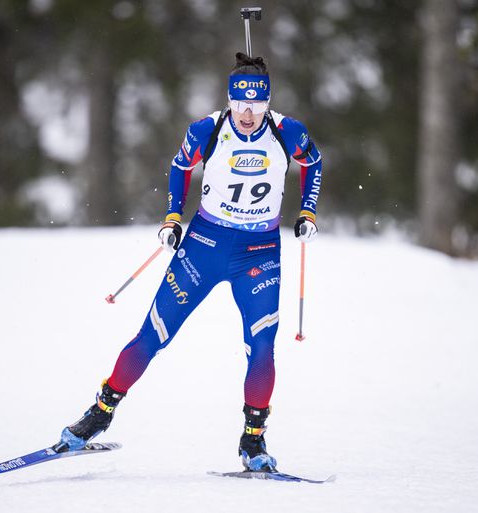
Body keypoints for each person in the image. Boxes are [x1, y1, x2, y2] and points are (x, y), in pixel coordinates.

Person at [56, 53, 323, 472]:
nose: (248, 113)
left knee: (263, 345)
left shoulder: (287, 132)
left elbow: (313, 162)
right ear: (230, 100)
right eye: (240, 104)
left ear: (268, 101)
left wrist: (307, 210)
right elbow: (180, 165)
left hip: (259, 251)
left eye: (256, 104)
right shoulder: (208, 129)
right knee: (153, 334)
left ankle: (253, 441)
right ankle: (100, 413)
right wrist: (172, 217)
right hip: (205, 244)